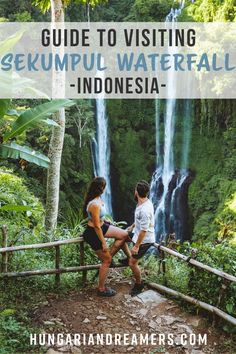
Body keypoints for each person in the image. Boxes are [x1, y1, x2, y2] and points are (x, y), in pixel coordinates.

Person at [82, 177, 131, 297]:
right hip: (93, 233)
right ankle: (101, 289)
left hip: (103, 226)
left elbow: (100, 219)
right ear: (101, 188)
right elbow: (96, 226)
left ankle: (129, 258)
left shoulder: (98, 199)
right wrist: (103, 243)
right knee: (107, 260)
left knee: (124, 235)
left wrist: (108, 221)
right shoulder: (94, 204)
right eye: (104, 186)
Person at [125, 180, 155, 297]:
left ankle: (139, 284)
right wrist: (132, 226)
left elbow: (144, 230)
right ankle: (127, 256)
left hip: (144, 240)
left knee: (132, 263)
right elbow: (140, 222)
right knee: (122, 235)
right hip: (137, 234)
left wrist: (136, 246)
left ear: (136, 192)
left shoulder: (144, 210)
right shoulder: (143, 203)